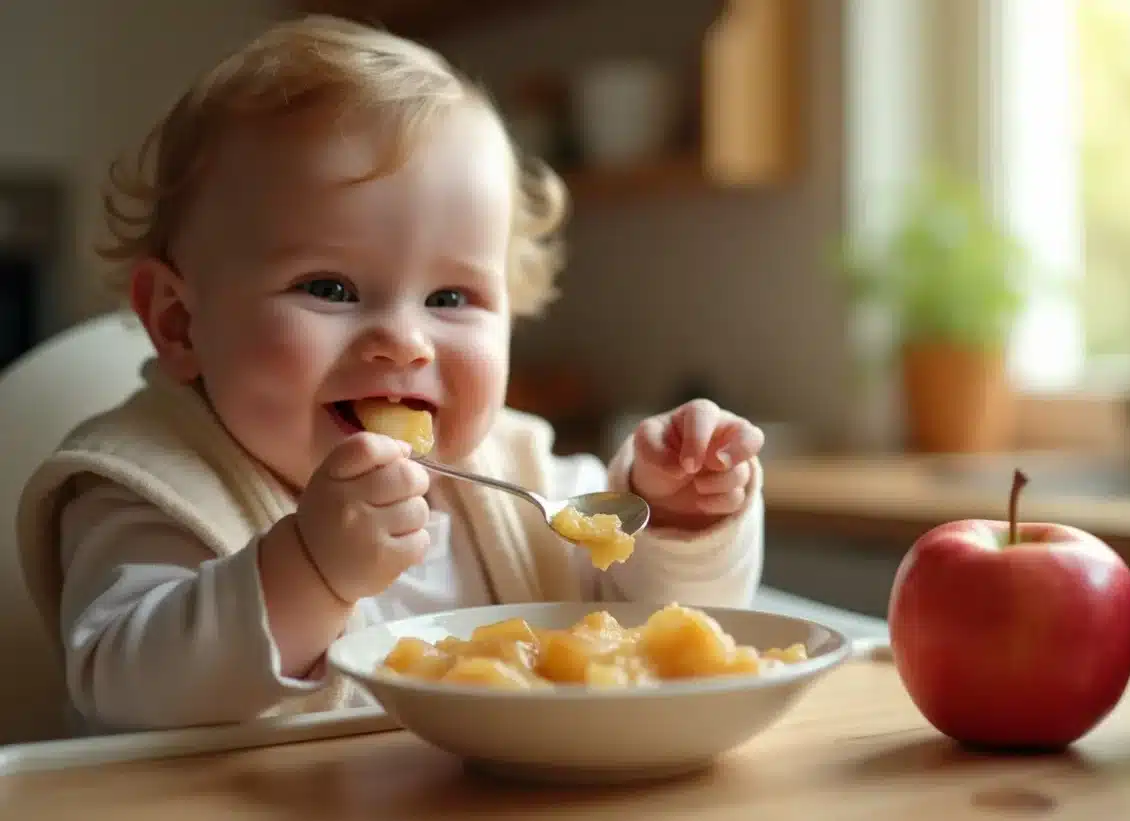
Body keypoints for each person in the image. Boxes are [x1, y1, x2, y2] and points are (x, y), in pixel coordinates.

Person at [16, 14, 766, 734]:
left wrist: (679, 521)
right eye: (330, 288)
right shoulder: (153, 485)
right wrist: (309, 570)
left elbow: (670, 629)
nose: (404, 342)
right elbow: (123, 686)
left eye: (450, 297)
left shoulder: (519, 477)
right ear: (181, 322)